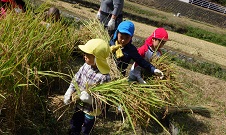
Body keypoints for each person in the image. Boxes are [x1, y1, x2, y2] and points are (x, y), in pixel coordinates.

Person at [63, 39, 111, 135]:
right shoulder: (85, 66)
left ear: (97, 58)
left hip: (91, 110)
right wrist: (69, 91)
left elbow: (103, 101)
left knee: (86, 128)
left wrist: (90, 100)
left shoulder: (104, 77)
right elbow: (76, 79)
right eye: (85, 54)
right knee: (75, 123)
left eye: (88, 55)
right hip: (79, 105)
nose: (84, 57)